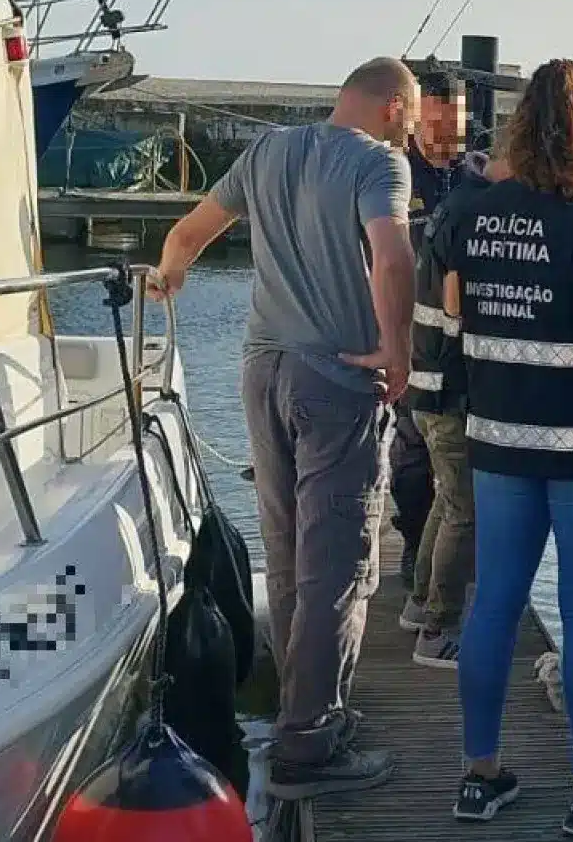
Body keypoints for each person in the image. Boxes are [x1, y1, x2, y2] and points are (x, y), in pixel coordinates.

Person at [149, 56, 419, 801]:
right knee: (337, 564)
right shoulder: (380, 164)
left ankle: (305, 713)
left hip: (261, 372)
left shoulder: (267, 151)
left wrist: (169, 276)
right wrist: (398, 352)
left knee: (288, 548)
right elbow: (392, 259)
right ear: (394, 108)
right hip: (334, 379)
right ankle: (310, 745)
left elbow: (190, 233)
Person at [431, 59, 573, 836]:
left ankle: (478, 773)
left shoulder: (472, 217)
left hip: (497, 444)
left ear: (521, 128)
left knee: (493, 601)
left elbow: (452, 322)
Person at [401, 91, 500, 670]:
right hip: (440, 376)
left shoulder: (453, 200)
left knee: (446, 494)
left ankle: (419, 603)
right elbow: (457, 302)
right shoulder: (458, 210)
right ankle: (436, 629)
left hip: (430, 375)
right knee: (461, 506)